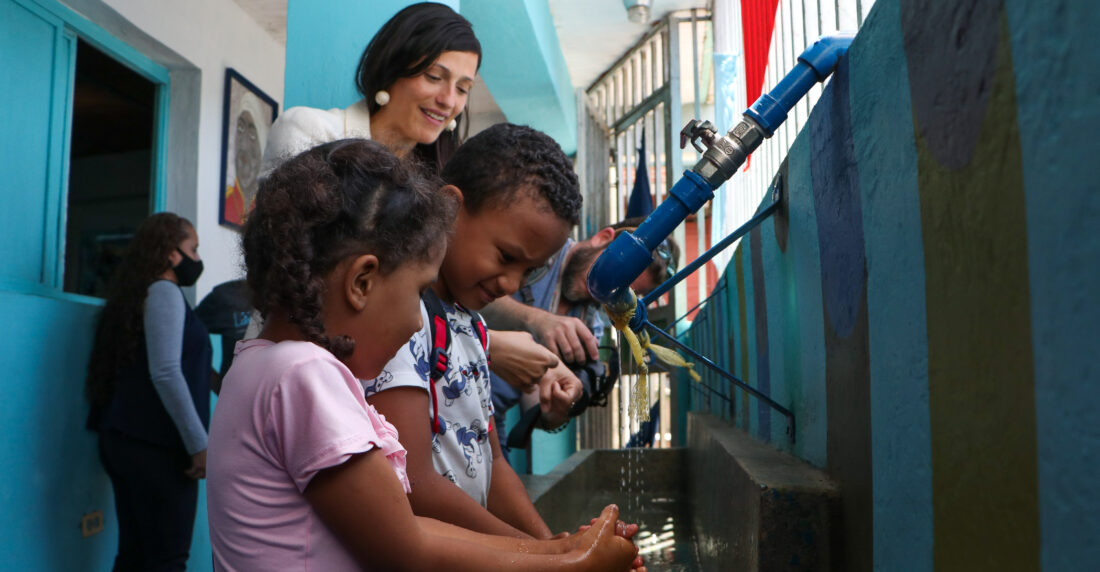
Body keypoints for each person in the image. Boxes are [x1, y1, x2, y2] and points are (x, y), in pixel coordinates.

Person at [207, 138, 640, 572]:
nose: (419, 323)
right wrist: (574, 565)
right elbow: (409, 544)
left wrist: (560, 551)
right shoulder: (302, 374)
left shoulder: (266, 364)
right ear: (362, 282)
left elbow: (412, 526)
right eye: (417, 292)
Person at [363, 123, 609, 542]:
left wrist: (552, 546)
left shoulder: (473, 328)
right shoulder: (400, 319)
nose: (512, 284)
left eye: (529, 271)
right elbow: (413, 483)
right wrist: (549, 561)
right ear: (451, 209)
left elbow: (492, 464)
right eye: (506, 257)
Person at [481, 218, 680, 447]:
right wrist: (535, 320)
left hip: (487, 426)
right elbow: (463, 288)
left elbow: (536, 405)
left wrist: (556, 412)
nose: (604, 290)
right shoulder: (541, 250)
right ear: (602, 239)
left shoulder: (587, 330)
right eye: (609, 273)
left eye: (619, 292)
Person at [84, 212, 211, 571]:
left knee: (136, 556)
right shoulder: (164, 292)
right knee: (167, 560)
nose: (197, 259)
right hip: (158, 450)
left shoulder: (140, 295)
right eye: (193, 249)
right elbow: (167, 372)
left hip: (128, 442)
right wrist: (198, 444)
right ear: (172, 254)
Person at [259, 2, 480, 177]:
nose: (449, 101)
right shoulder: (310, 132)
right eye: (434, 77)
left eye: (462, 89)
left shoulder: (444, 181)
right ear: (392, 68)